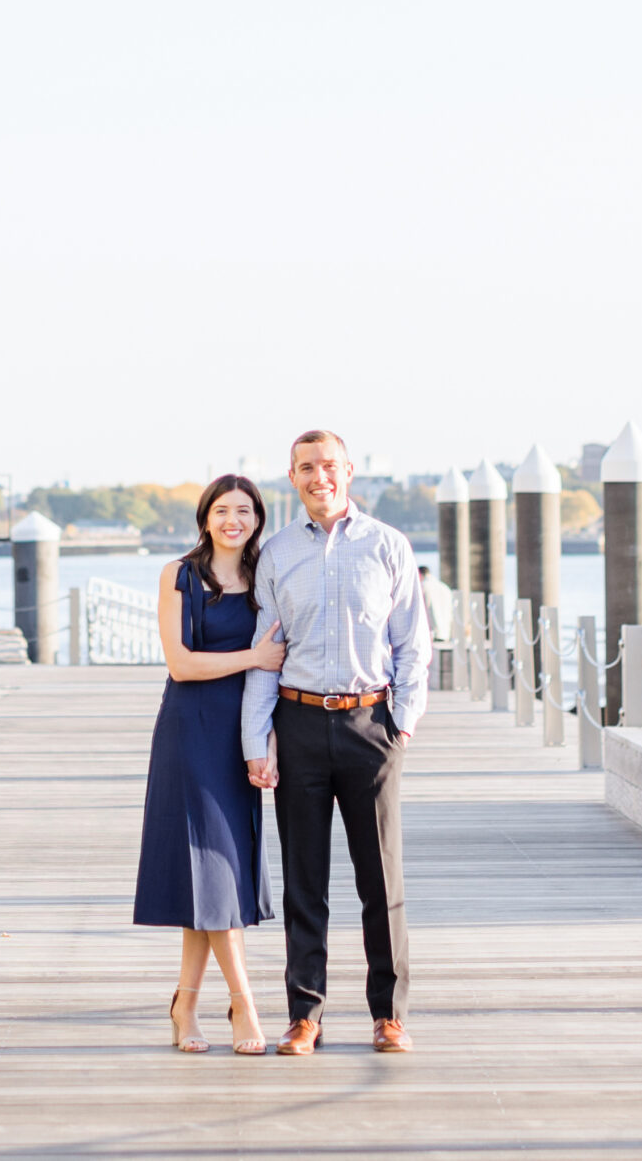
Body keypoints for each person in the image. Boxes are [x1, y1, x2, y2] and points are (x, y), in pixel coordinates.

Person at [242, 429, 430, 1055]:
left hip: (369, 725)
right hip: (296, 726)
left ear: (349, 471)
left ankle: (389, 1015)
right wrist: (256, 742)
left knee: (381, 877)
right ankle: (305, 1015)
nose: (318, 477)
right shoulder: (275, 556)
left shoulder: (388, 546)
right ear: (292, 478)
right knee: (304, 878)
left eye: (328, 466)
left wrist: (401, 722)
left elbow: (412, 644)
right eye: (305, 468)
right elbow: (264, 658)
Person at [133, 474, 285, 1054]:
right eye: (222, 510)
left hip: (240, 735)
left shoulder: (263, 577)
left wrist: (267, 741)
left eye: (244, 511)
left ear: (257, 519)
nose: (233, 521)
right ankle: (244, 1006)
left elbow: (274, 671)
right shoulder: (179, 575)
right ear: (205, 517)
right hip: (189, 732)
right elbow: (180, 664)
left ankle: (185, 1004)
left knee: (215, 875)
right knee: (215, 874)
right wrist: (253, 654)